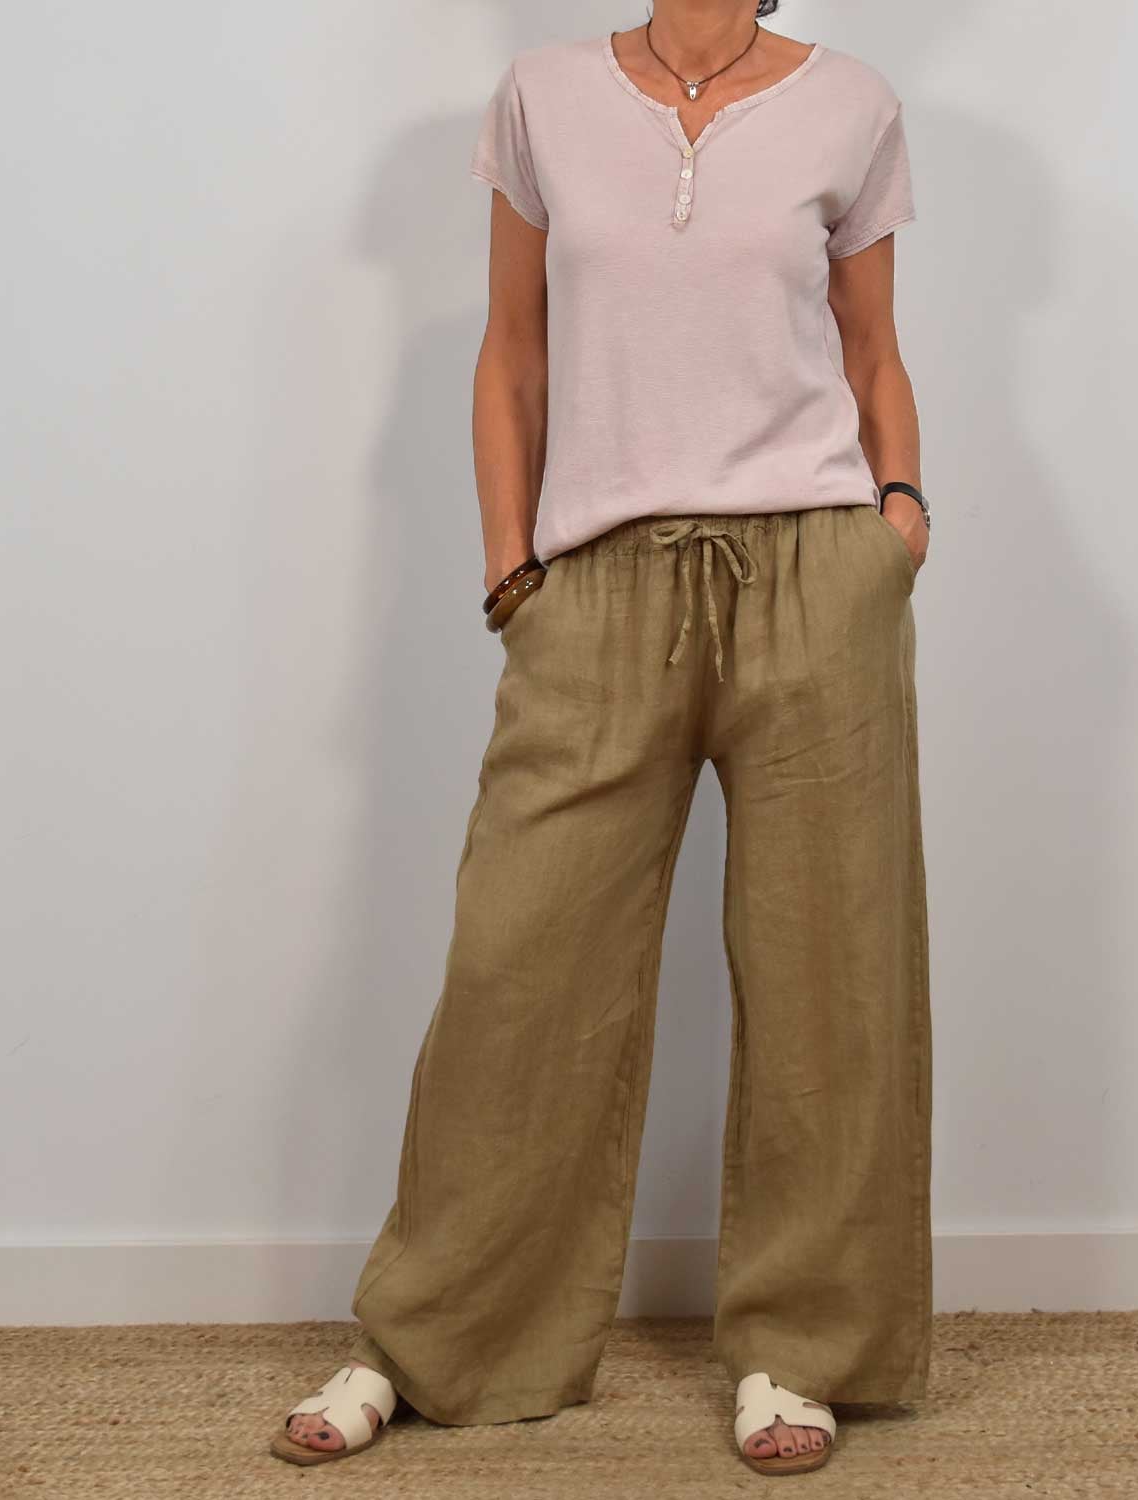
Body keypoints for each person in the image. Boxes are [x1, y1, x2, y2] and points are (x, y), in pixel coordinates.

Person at [270, 0, 932, 1478]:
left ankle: (803, 1348)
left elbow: (873, 346)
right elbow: (512, 353)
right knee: (517, 967)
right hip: (596, 584)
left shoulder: (852, 104)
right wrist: (513, 569)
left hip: (814, 575)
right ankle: (432, 1338)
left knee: (831, 973)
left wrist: (898, 516)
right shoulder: (542, 96)